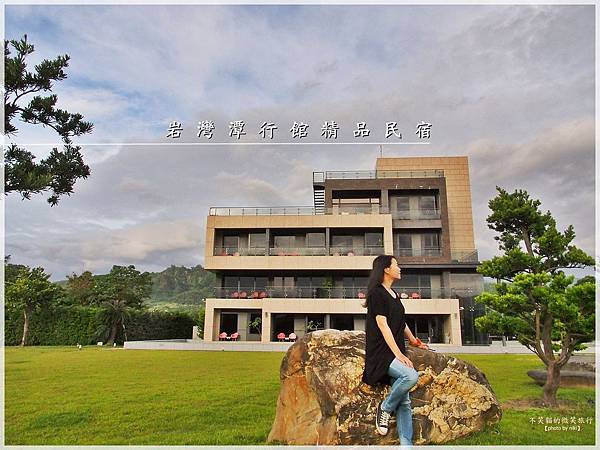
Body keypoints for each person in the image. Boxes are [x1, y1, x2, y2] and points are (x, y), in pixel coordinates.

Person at [362, 254, 430, 446]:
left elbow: (401, 322)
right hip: (381, 353)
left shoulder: (394, 294)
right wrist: (399, 354)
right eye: (396, 265)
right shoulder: (376, 293)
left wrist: (414, 341)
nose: (399, 268)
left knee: (405, 401)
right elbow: (383, 325)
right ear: (386, 269)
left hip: (395, 349)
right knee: (410, 376)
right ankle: (385, 408)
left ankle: (406, 445)